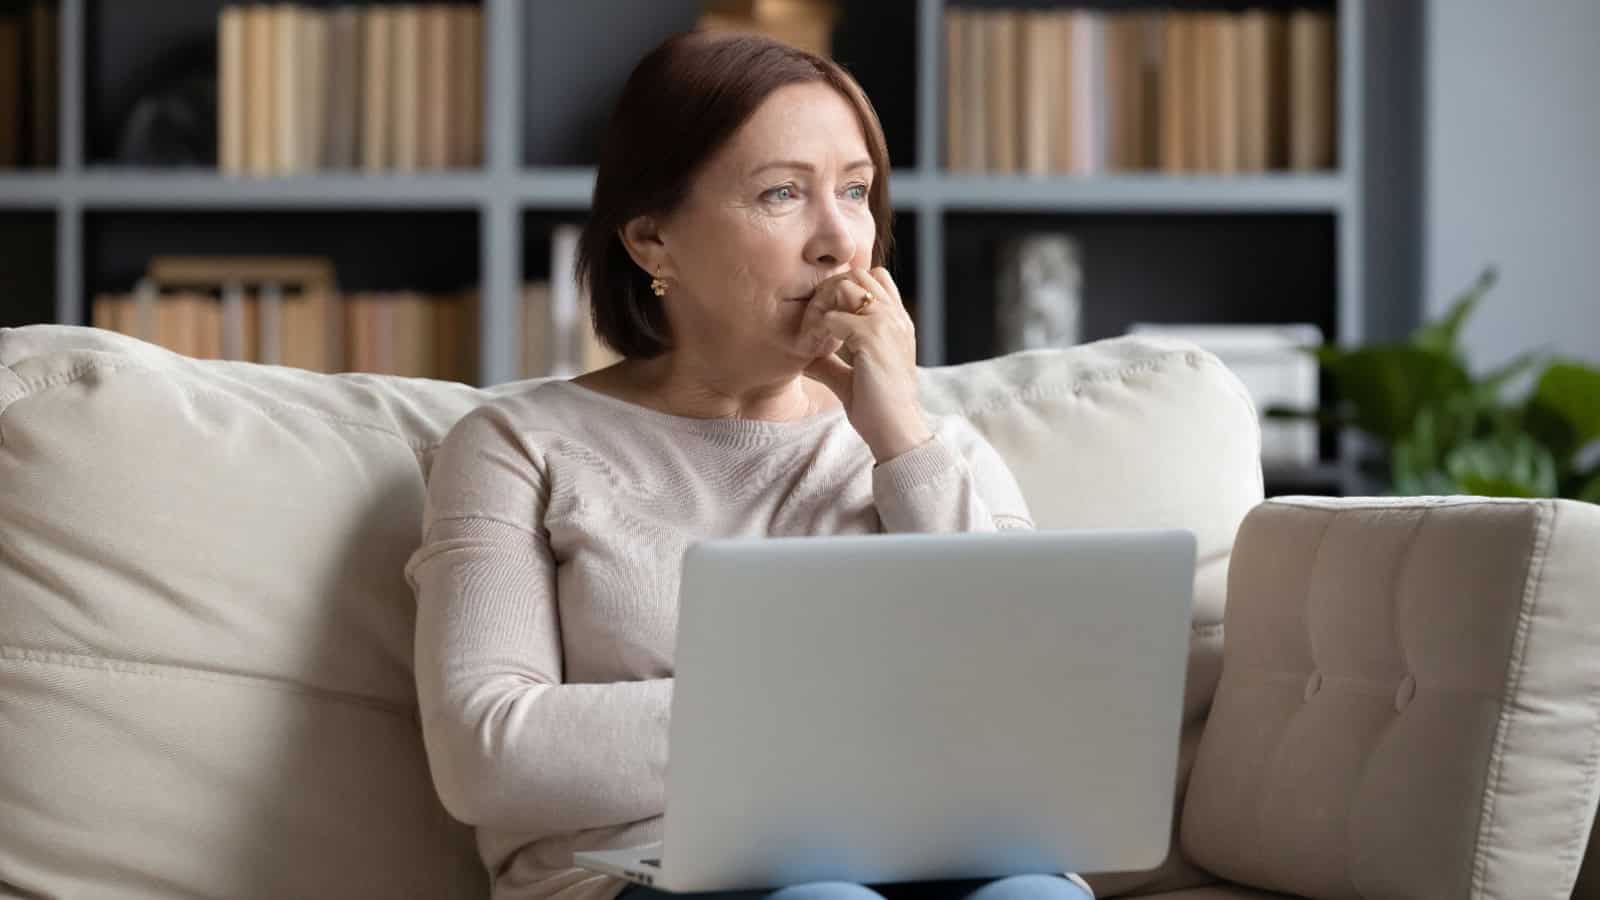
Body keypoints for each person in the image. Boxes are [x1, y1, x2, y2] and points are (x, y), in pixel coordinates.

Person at [404, 30, 1092, 900]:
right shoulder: (516, 446)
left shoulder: (926, 446)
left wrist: (901, 444)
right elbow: (486, 754)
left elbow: (1031, 724)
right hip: (658, 875)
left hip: (930, 856)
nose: (841, 241)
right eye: (781, 194)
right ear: (653, 241)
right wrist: (852, 714)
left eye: (855, 191)